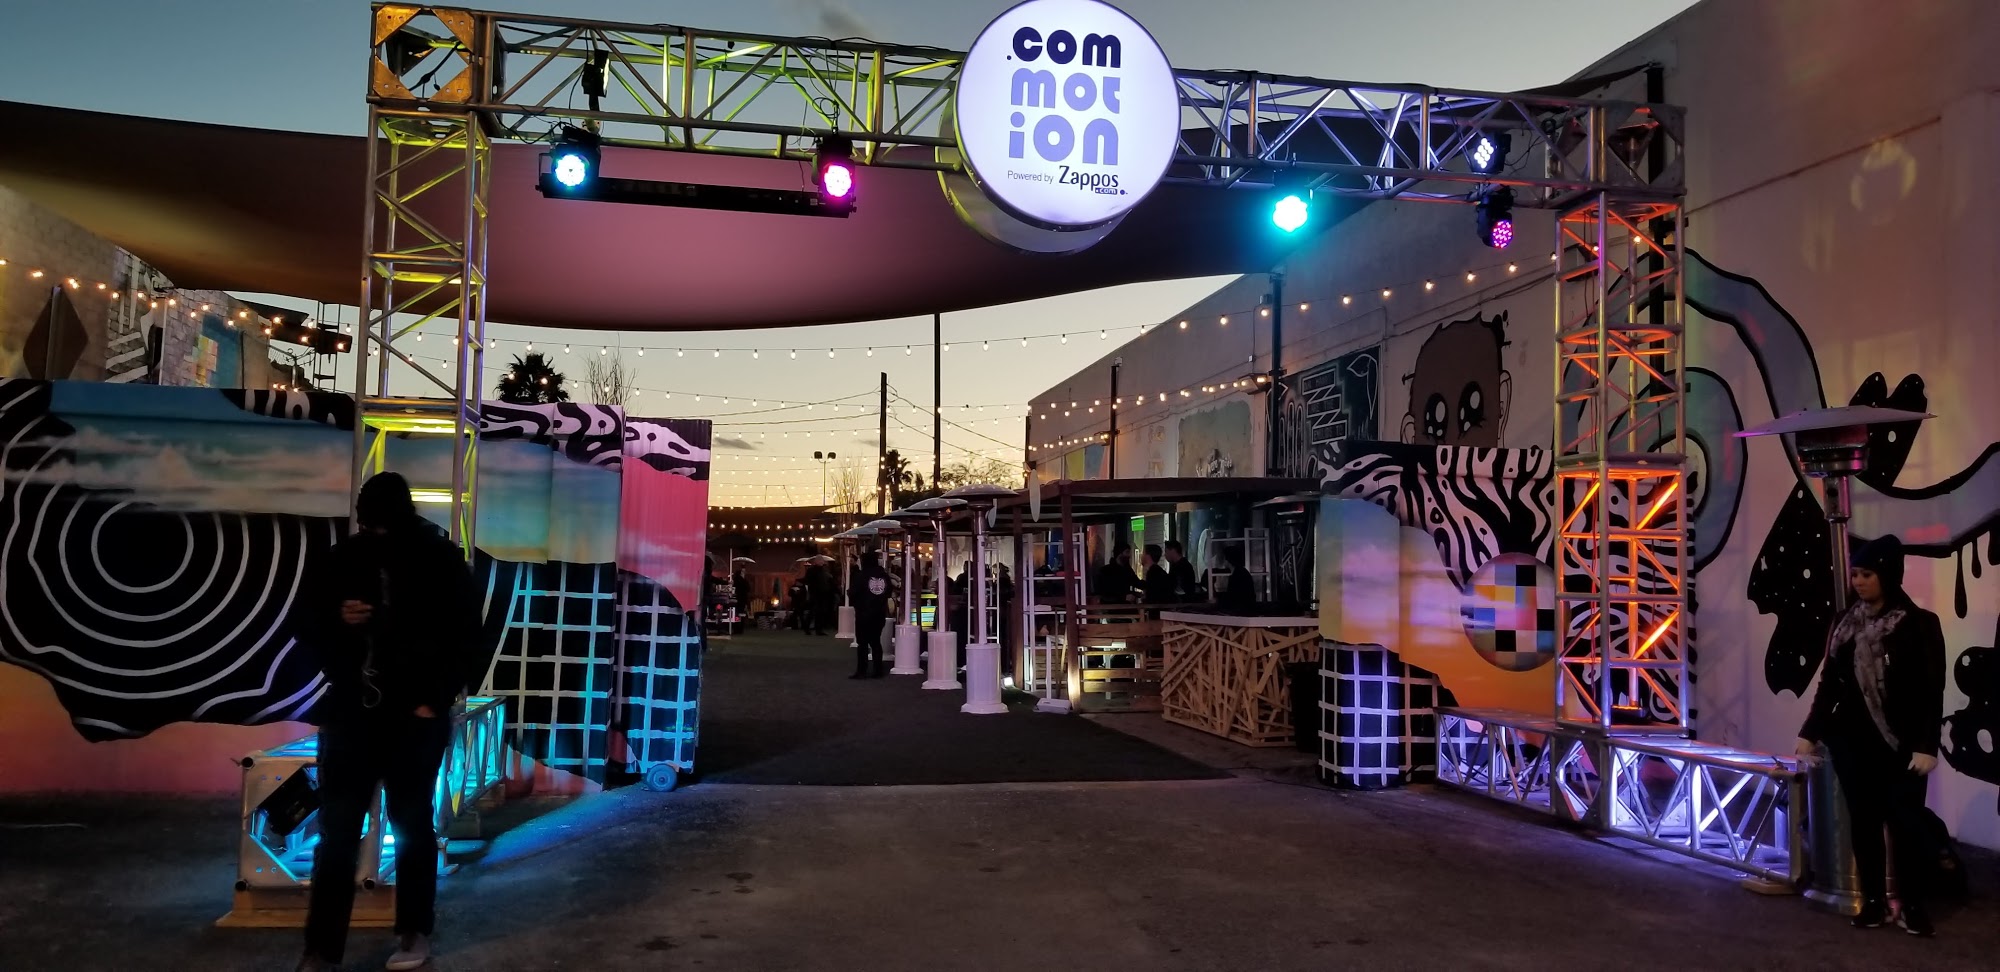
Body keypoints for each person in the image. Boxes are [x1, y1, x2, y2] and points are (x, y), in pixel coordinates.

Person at [295, 473, 484, 972]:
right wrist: (340, 618)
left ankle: (412, 931)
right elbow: (306, 622)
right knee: (340, 833)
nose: (375, 534)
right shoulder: (343, 560)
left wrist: (433, 700)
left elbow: (466, 635)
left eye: (380, 525)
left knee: (411, 826)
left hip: (410, 717)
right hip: (354, 712)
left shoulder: (438, 560)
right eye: (369, 525)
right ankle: (322, 948)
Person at [1795, 535, 1947, 937]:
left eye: (1867, 574)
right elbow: (1829, 683)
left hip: (1902, 745)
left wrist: (1926, 746)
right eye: (1856, 574)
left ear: (1888, 575)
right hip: (1852, 743)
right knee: (1863, 824)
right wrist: (1811, 731)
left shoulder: (1919, 624)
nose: (1859, 582)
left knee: (1906, 824)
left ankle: (1912, 905)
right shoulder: (1844, 623)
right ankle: (1874, 902)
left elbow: (1931, 691)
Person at [850, 550, 893, 678]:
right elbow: (888, 592)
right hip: (879, 613)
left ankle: (862, 671)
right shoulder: (884, 576)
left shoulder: (861, 576)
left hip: (863, 613)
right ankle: (878, 670)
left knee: (862, 643)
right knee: (876, 642)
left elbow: (853, 593)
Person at [1218, 545, 1257, 609]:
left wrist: (1218, 600)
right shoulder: (1240, 572)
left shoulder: (1239, 575)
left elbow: (1233, 597)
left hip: (1242, 611)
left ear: (1228, 559)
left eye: (1224, 558)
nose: (1223, 560)